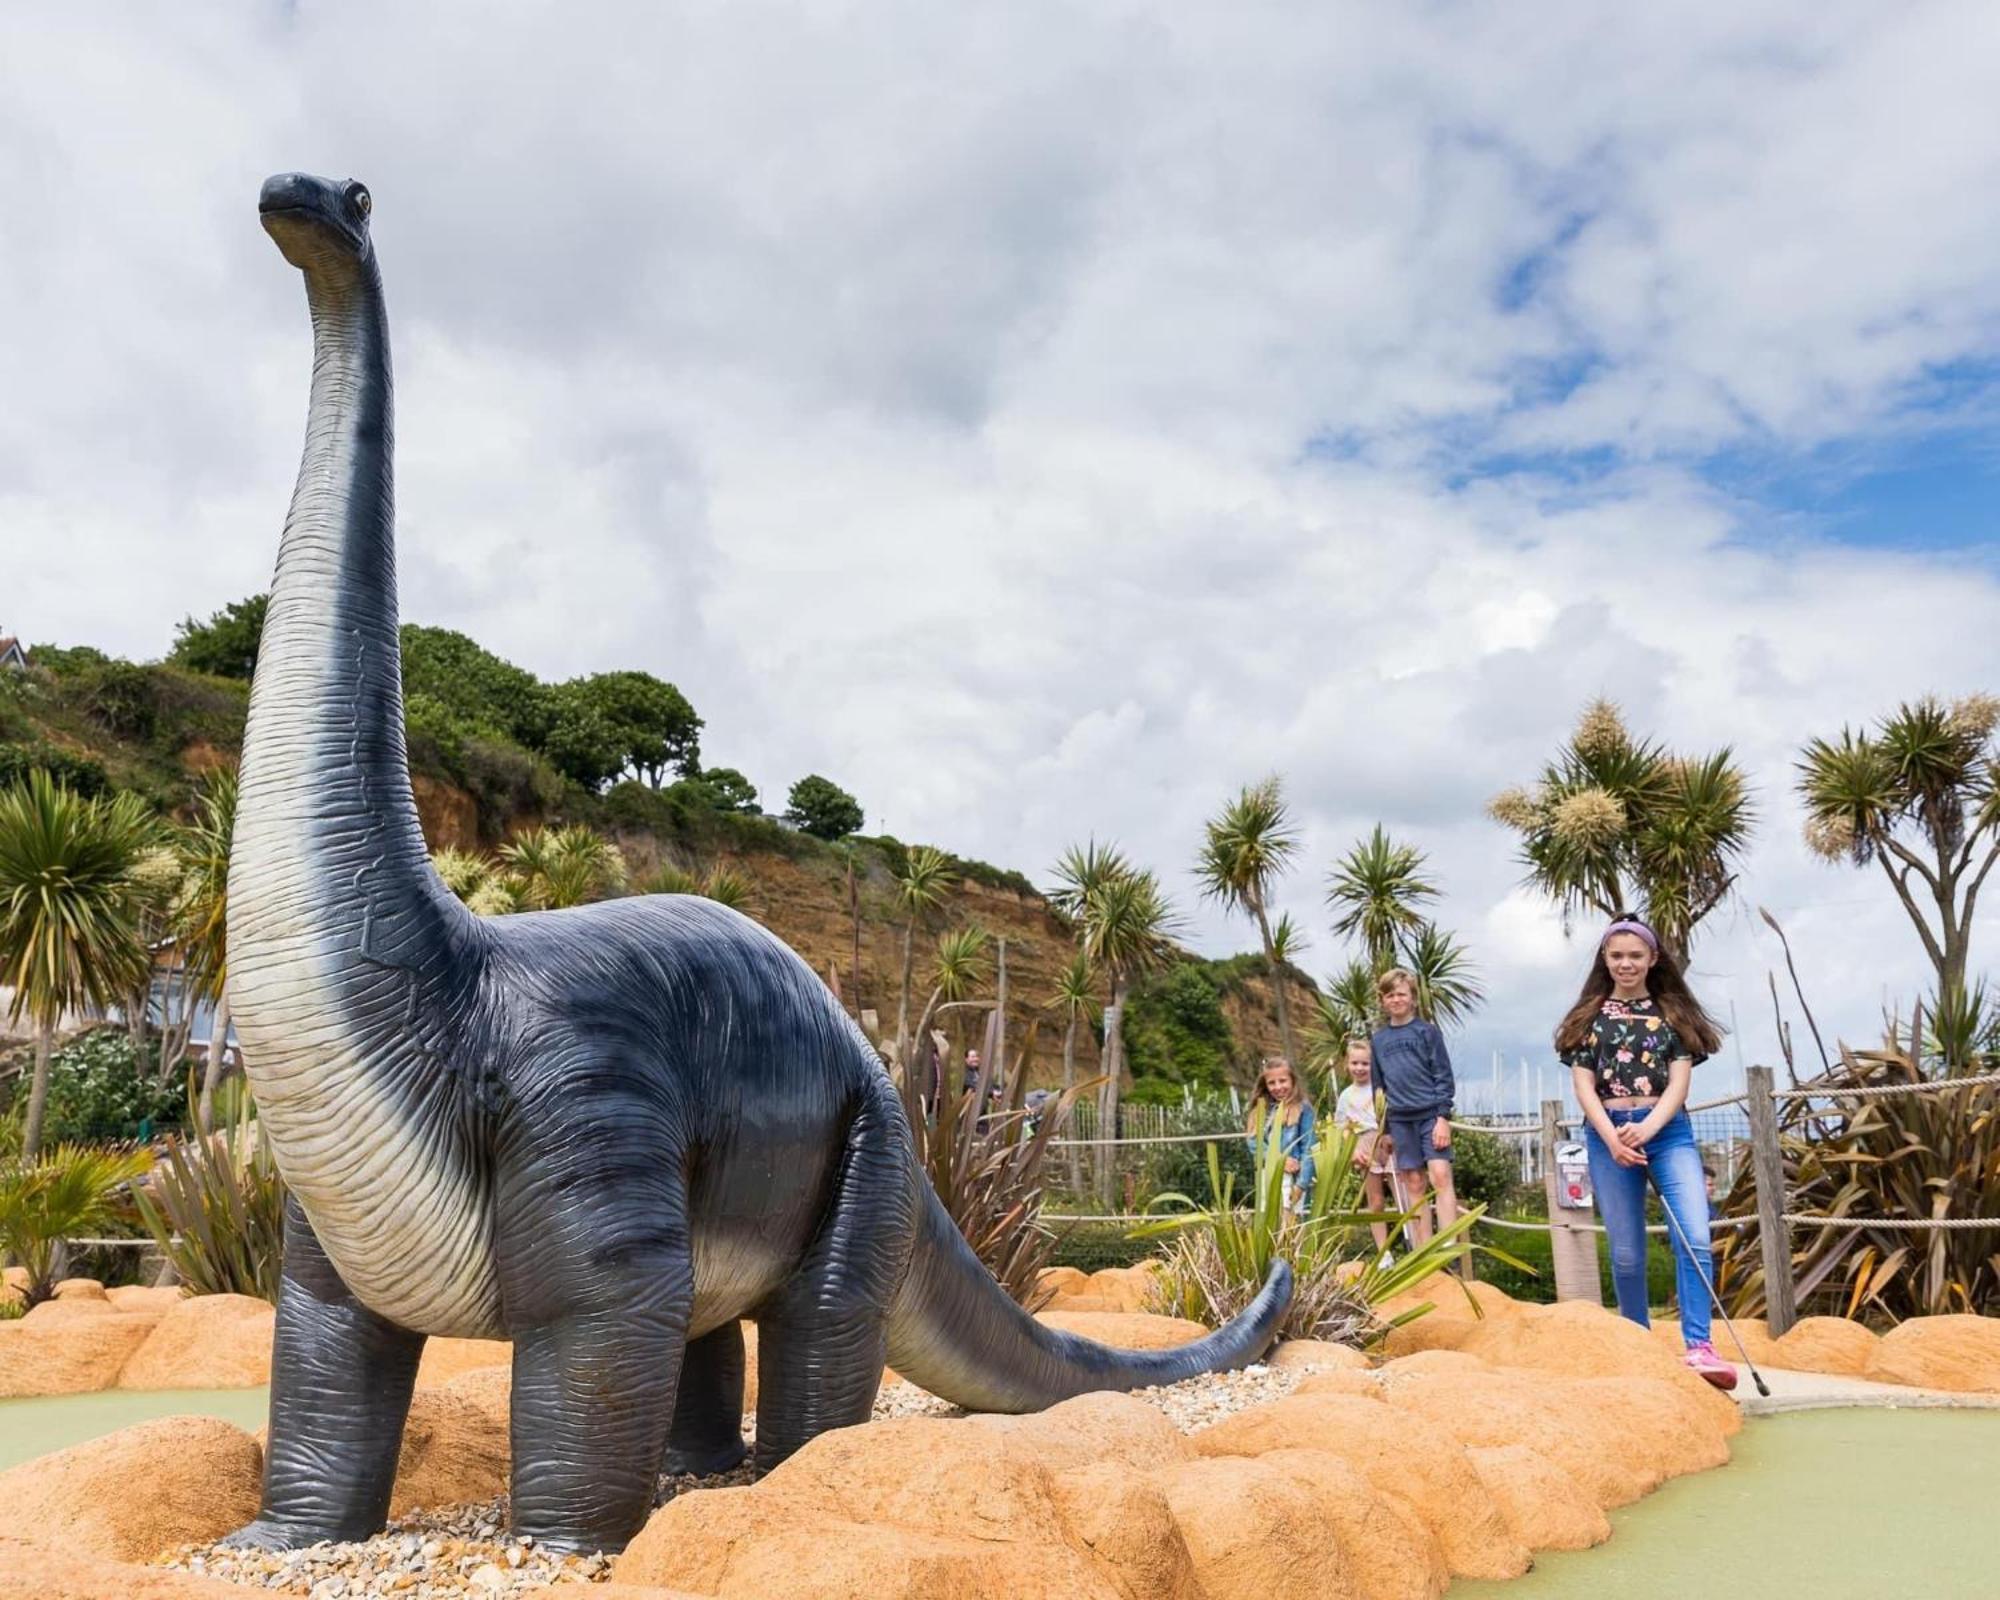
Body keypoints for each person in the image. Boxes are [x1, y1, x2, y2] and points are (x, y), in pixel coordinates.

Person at [1557, 913, 1735, 1391]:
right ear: (1605, 959)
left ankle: (1699, 1344)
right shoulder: (1588, 1018)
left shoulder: (1671, 1016)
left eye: (1635, 955)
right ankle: (1636, 1340)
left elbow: (1679, 1081)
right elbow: (1583, 1083)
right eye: (1616, 955)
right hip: (1607, 1133)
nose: (1625, 964)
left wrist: (1649, 1126)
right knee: (1627, 1252)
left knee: (1695, 1236)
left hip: (1667, 1131)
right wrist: (1613, 1137)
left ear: (1653, 959)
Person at [1370, 968, 1458, 1245]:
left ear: (1412, 998)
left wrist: (1443, 1117)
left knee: (1440, 1176)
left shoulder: (1427, 1032)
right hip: (1399, 1120)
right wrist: (1383, 1129)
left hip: (1430, 1115)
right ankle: (1422, 1250)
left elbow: (1443, 1075)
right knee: (1413, 1182)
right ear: (1383, 1000)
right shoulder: (1378, 1041)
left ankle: (1448, 1246)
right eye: (1390, 995)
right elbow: (1378, 1087)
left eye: (1401, 994)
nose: (1396, 1000)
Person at [1331, 1038, 1395, 1258]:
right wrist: (1353, 1150)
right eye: (1354, 1063)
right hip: (1364, 1145)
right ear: (1347, 1064)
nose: (1359, 1068)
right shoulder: (1346, 1095)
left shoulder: (1382, 1088)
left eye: (1365, 1064)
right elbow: (1342, 1127)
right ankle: (1384, 1253)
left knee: (1402, 1196)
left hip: (1388, 1141)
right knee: (1375, 1201)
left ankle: (1414, 1244)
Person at [1246, 1056, 1316, 1216]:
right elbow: (1253, 1142)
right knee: (1270, 1224)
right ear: (1265, 1084)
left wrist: (1301, 1184)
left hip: (1293, 1179)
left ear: (1292, 1081)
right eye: (1272, 1083)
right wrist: (1278, 1160)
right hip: (1268, 1176)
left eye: (1283, 1081)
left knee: (1290, 1225)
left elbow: (1309, 1147)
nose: (1278, 1087)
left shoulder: (1303, 1109)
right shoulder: (1260, 1109)